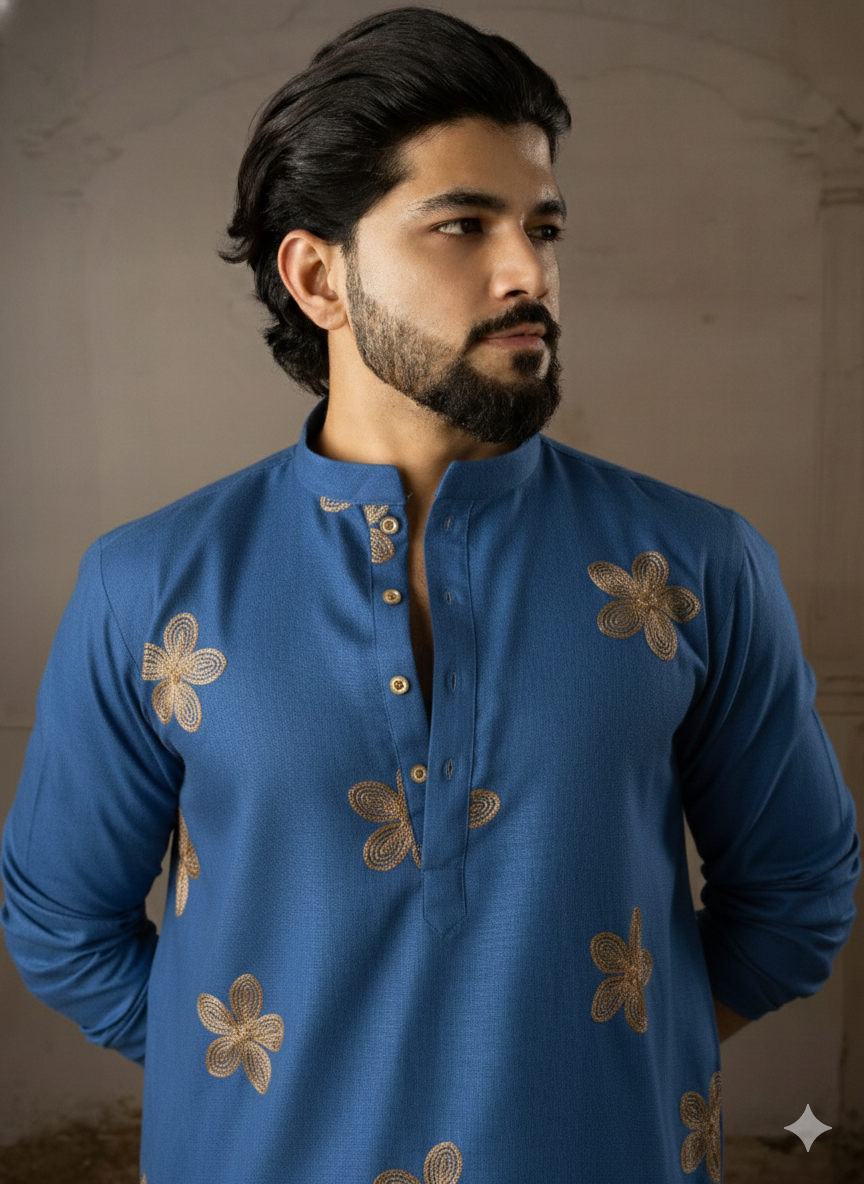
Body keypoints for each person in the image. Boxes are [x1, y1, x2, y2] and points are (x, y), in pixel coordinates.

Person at [1, 7, 859, 1183]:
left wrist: (621, 1064)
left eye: (543, 228)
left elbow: (798, 894)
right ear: (318, 275)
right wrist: (252, 1078)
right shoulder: (148, 582)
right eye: (464, 225)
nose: (528, 272)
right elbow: (60, 921)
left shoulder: (698, 563)